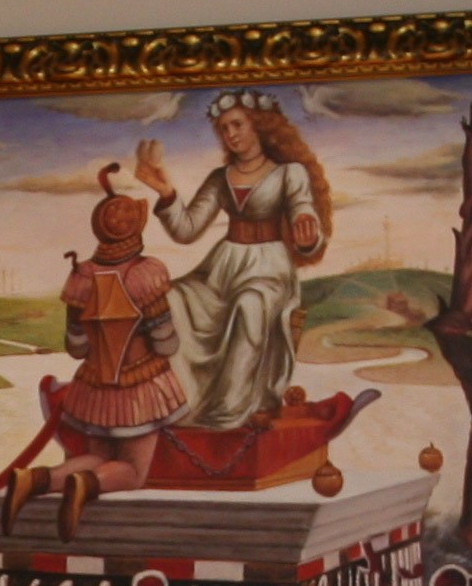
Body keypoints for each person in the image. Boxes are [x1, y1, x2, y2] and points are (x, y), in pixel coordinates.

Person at [135, 91, 333, 438]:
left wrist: (307, 236)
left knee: (249, 304)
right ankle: (180, 403)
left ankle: (227, 415)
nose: (231, 134)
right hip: (223, 266)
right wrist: (165, 193)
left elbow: (304, 214)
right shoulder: (219, 178)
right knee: (172, 297)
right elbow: (187, 230)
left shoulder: (289, 173)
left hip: (268, 269)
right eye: (224, 128)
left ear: (260, 125)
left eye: (237, 125)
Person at [0, 176, 188, 534]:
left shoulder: (82, 277)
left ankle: (36, 480)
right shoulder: (145, 275)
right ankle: (85, 486)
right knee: (131, 471)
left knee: (97, 457)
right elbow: (167, 344)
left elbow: (77, 347)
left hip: (94, 389)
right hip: (140, 388)